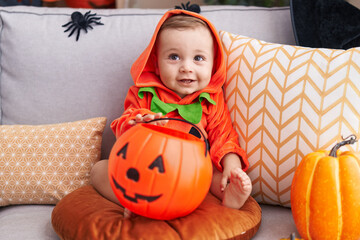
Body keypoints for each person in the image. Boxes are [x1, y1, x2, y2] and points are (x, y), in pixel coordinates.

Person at [90, 9, 252, 214]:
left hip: (191, 176)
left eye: (198, 58)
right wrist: (139, 122)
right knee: (99, 170)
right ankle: (130, 201)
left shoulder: (211, 100)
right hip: (145, 170)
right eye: (174, 57)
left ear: (214, 65)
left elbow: (224, 136)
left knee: (218, 178)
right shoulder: (143, 94)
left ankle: (231, 197)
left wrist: (232, 166)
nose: (186, 67)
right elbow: (124, 127)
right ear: (156, 65)